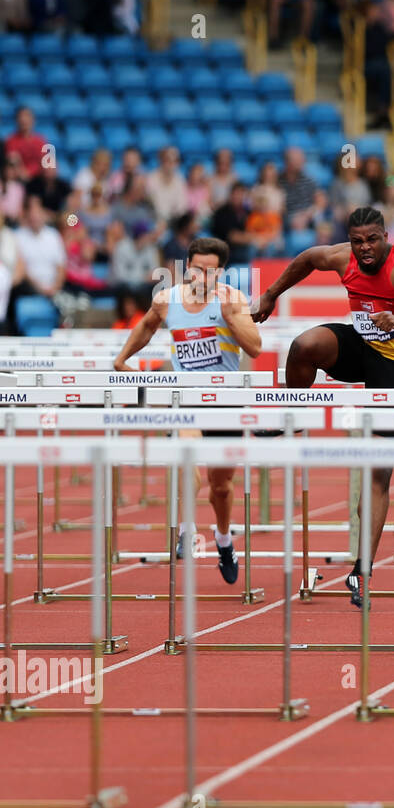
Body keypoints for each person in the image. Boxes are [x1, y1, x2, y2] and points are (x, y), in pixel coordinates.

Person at [250, 207, 394, 608]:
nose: (365, 249)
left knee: (378, 470)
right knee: (304, 345)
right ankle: (293, 416)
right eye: (358, 241)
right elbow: (307, 259)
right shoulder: (343, 258)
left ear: (384, 236)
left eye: (372, 240)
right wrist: (271, 293)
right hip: (359, 348)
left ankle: (362, 569)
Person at [113, 238, 263, 584]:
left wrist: (229, 318)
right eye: (197, 269)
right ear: (187, 267)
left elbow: (254, 347)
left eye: (211, 271)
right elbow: (147, 325)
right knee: (186, 458)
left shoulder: (234, 300)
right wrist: (122, 359)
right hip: (186, 399)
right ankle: (186, 529)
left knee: (221, 487)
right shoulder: (168, 300)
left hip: (225, 403)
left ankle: (224, 540)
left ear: (220, 272)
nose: (203, 276)